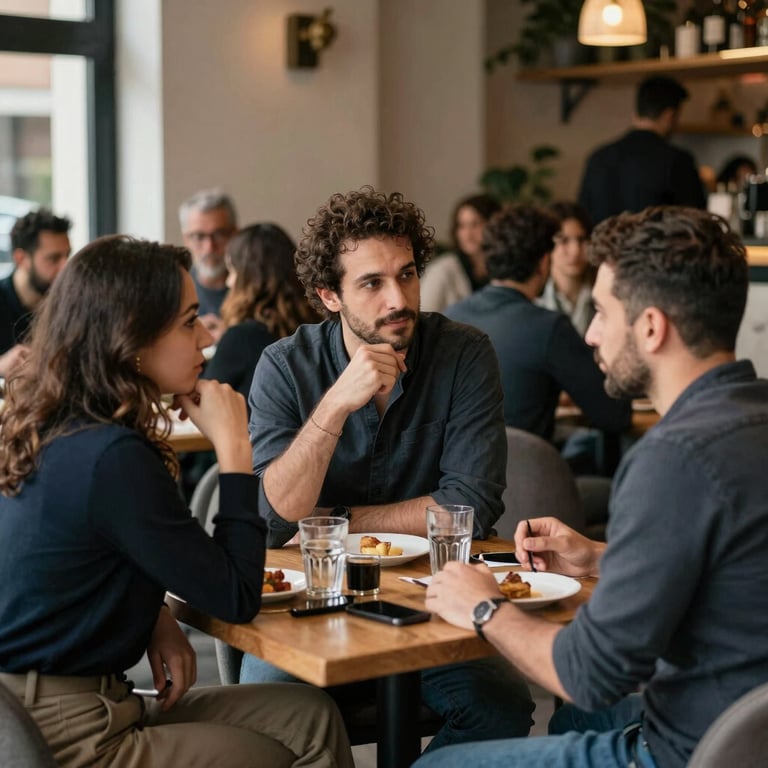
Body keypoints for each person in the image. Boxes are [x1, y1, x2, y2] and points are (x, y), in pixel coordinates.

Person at [415, 206, 768, 768]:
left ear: (651, 327)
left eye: (602, 312)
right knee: (577, 724)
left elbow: (588, 676)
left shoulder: (671, 459)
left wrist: (483, 608)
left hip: (692, 749)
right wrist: (603, 557)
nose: (591, 333)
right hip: (745, 725)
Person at [0, 235, 353, 768]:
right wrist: (235, 450)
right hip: (65, 734)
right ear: (131, 338)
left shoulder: (60, 425)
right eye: (190, 321)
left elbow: (85, 560)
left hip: (64, 702)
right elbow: (235, 596)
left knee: (309, 715)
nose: (208, 336)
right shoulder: (112, 455)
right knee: (274, 753)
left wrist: (156, 615)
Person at [242, 186, 535, 752]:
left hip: (432, 601)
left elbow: (468, 508)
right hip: (309, 607)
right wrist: (334, 406)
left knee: (501, 705)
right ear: (329, 295)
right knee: (272, 722)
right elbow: (274, 520)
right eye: (372, 284)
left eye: (406, 274)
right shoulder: (285, 366)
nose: (398, 299)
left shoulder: (464, 354)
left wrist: (335, 520)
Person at [445, 203, 630, 448]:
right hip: (527, 479)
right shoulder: (548, 328)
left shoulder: (449, 318)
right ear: (544, 262)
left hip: (450, 479)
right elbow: (615, 415)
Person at [203, 222, 320, 401]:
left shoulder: (241, 338)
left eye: (232, 272)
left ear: (248, 279)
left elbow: (204, 399)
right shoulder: (318, 327)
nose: (228, 282)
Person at [578, 76, 706, 225]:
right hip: (656, 248)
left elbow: (582, 218)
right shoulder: (678, 160)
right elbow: (696, 223)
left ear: (637, 111)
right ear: (669, 115)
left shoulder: (598, 157)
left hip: (604, 248)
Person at [0, 208, 70, 378]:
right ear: (21, 258)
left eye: (67, 256)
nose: (66, 267)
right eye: (54, 258)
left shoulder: (69, 303)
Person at [420, 193, 501, 312]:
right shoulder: (442, 270)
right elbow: (422, 317)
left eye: (475, 224)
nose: (467, 234)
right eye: (461, 226)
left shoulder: (503, 267)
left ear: (493, 225)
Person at [178, 188, 238, 340]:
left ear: (235, 234)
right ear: (186, 240)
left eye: (219, 235)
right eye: (199, 236)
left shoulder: (254, 292)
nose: (209, 247)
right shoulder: (174, 293)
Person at [536, 201, 595, 337]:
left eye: (581, 240)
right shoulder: (534, 297)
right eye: (564, 240)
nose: (575, 250)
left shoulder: (603, 292)